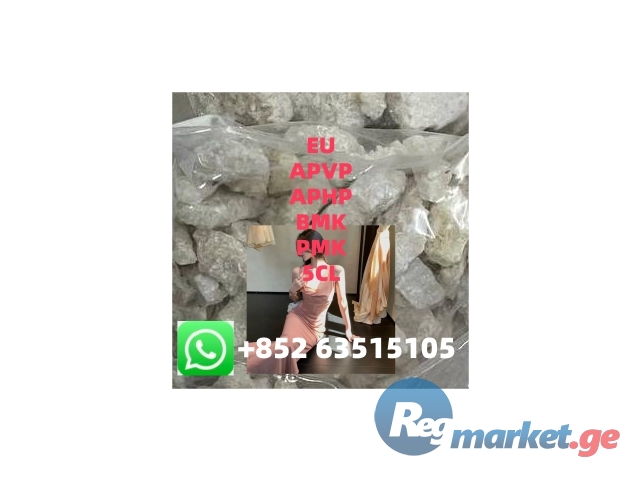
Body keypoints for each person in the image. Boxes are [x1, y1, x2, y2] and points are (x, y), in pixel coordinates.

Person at [246, 229, 359, 374]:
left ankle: (243, 359)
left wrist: (348, 330)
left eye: (302, 248)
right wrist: (292, 289)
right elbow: (295, 298)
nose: (299, 253)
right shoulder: (298, 271)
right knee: (284, 346)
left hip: (315, 329)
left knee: (285, 349)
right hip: (297, 317)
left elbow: (343, 302)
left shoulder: (336, 271)